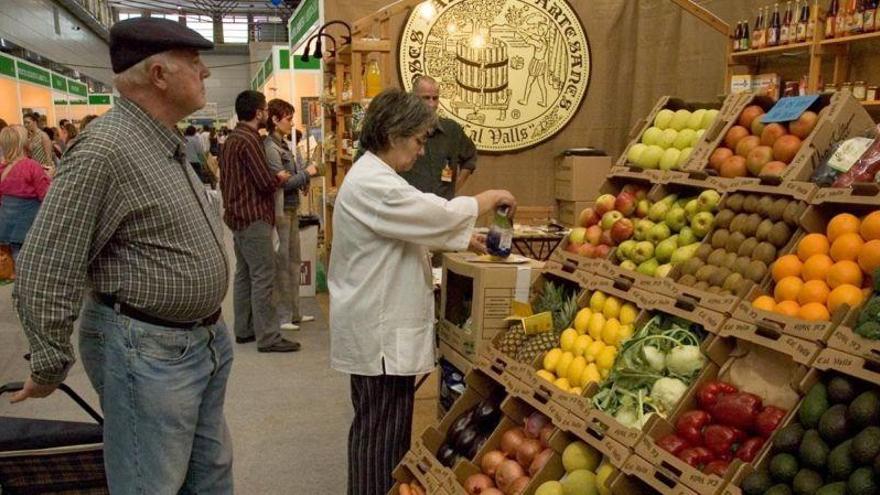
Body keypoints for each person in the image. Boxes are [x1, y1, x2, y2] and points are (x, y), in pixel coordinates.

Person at [10, 17, 234, 494]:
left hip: (199, 344)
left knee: (208, 476)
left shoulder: (160, 140)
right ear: (158, 74)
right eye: (194, 63)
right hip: (149, 352)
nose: (206, 73)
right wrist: (49, 359)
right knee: (149, 483)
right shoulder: (106, 148)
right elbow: (47, 260)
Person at [329, 88, 516, 495]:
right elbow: (436, 212)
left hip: (373, 330)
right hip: (378, 336)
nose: (419, 151)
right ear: (395, 135)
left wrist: (461, 239)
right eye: (416, 141)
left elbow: (409, 225)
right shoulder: (375, 184)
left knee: (380, 430)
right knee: (379, 437)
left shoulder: (375, 178)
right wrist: (487, 198)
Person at [220, 90, 300, 353]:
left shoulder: (232, 139)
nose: (267, 113)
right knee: (263, 277)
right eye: (265, 109)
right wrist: (279, 178)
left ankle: (244, 329)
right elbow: (264, 182)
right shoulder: (250, 140)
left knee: (244, 275)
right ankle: (268, 336)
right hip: (254, 217)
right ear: (258, 113)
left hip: (236, 217)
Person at [264, 98, 318, 331]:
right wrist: (307, 174)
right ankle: (283, 316)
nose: (292, 122)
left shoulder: (284, 145)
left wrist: (300, 179)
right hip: (281, 210)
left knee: (295, 261)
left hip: (292, 207)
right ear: (275, 120)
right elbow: (282, 182)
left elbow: (291, 178)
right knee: (283, 264)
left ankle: (294, 312)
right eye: (288, 118)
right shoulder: (271, 148)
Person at [0, 125, 51, 261]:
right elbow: (45, 195)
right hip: (28, 225)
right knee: (27, 260)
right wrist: (49, 177)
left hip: (6, 224)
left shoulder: (2, 168)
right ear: (23, 143)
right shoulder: (32, 166)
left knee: (14, 257)